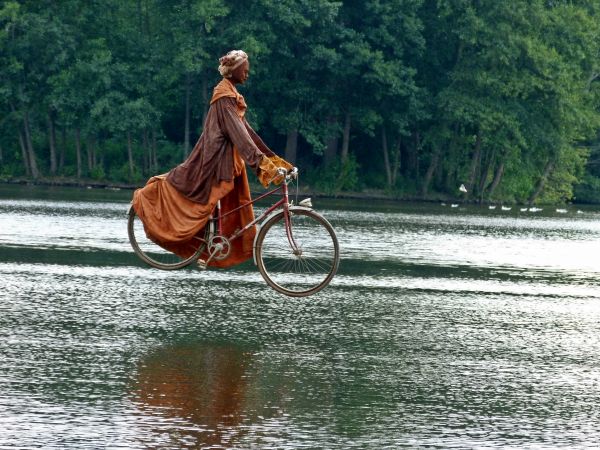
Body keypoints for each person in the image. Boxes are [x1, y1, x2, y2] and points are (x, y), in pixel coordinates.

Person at [132, 50, 291, 268]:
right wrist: (263, 165)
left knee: (232, 205)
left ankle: (213, 242)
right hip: (217, 163)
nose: (248, 73)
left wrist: (276, 162)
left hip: (227, 163)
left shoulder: (230, 94)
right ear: (234, 71)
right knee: (200, 202)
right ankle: (204, 242)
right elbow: (240, 136)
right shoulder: (224, 97)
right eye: (245, 70)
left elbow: (249, 133)